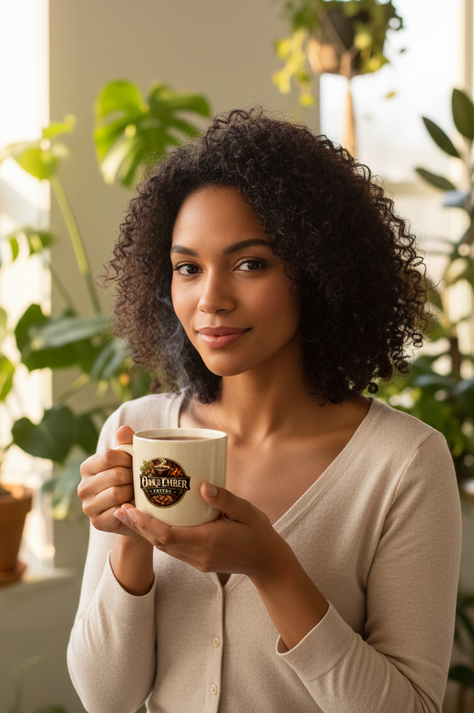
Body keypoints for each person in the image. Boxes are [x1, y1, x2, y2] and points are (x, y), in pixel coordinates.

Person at [68, 109, 461, 713]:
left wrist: (274, 570)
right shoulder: (138, 431)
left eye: (251, 263)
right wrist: (131, 539)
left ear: (318, 271)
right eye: (187, 268)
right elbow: (105, 698)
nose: (211, 299)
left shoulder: (401, 465)